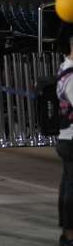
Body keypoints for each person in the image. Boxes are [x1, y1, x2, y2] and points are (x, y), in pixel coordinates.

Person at [56, 28, 73, 245]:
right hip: (71, 138)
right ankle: (69, 234)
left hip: (67, 137)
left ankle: (66, 232)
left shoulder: (64, 68)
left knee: (67, 184)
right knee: (71, 188)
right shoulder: (70, 73)